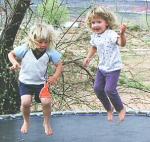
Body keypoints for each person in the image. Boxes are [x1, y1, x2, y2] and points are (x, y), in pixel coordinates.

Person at [8, 23, 63, 136]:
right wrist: (14, 63)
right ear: (33, 40)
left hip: (41, 84)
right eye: (40, 42)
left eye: (46, 42)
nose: (43, 45)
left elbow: (59, 64)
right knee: (26, 102)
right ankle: (26, 122)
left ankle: (46, 123)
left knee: (46, 102)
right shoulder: (25, 48)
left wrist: (55, 77)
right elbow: (11, 54)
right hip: (25, 82)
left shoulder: (50, 51)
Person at [83, 6, 127, 121]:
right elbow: (93, 47)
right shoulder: (94, 36)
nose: (95, 25)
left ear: (106, 23)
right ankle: (109, 108)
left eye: (99, 22)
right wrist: (88, 58)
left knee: (109, 90)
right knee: (97, 89)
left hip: (113, 68)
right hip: (102, 68)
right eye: (93, 22)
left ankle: (120, 109)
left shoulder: (111, 34)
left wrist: (122, 34)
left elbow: (121, 44)